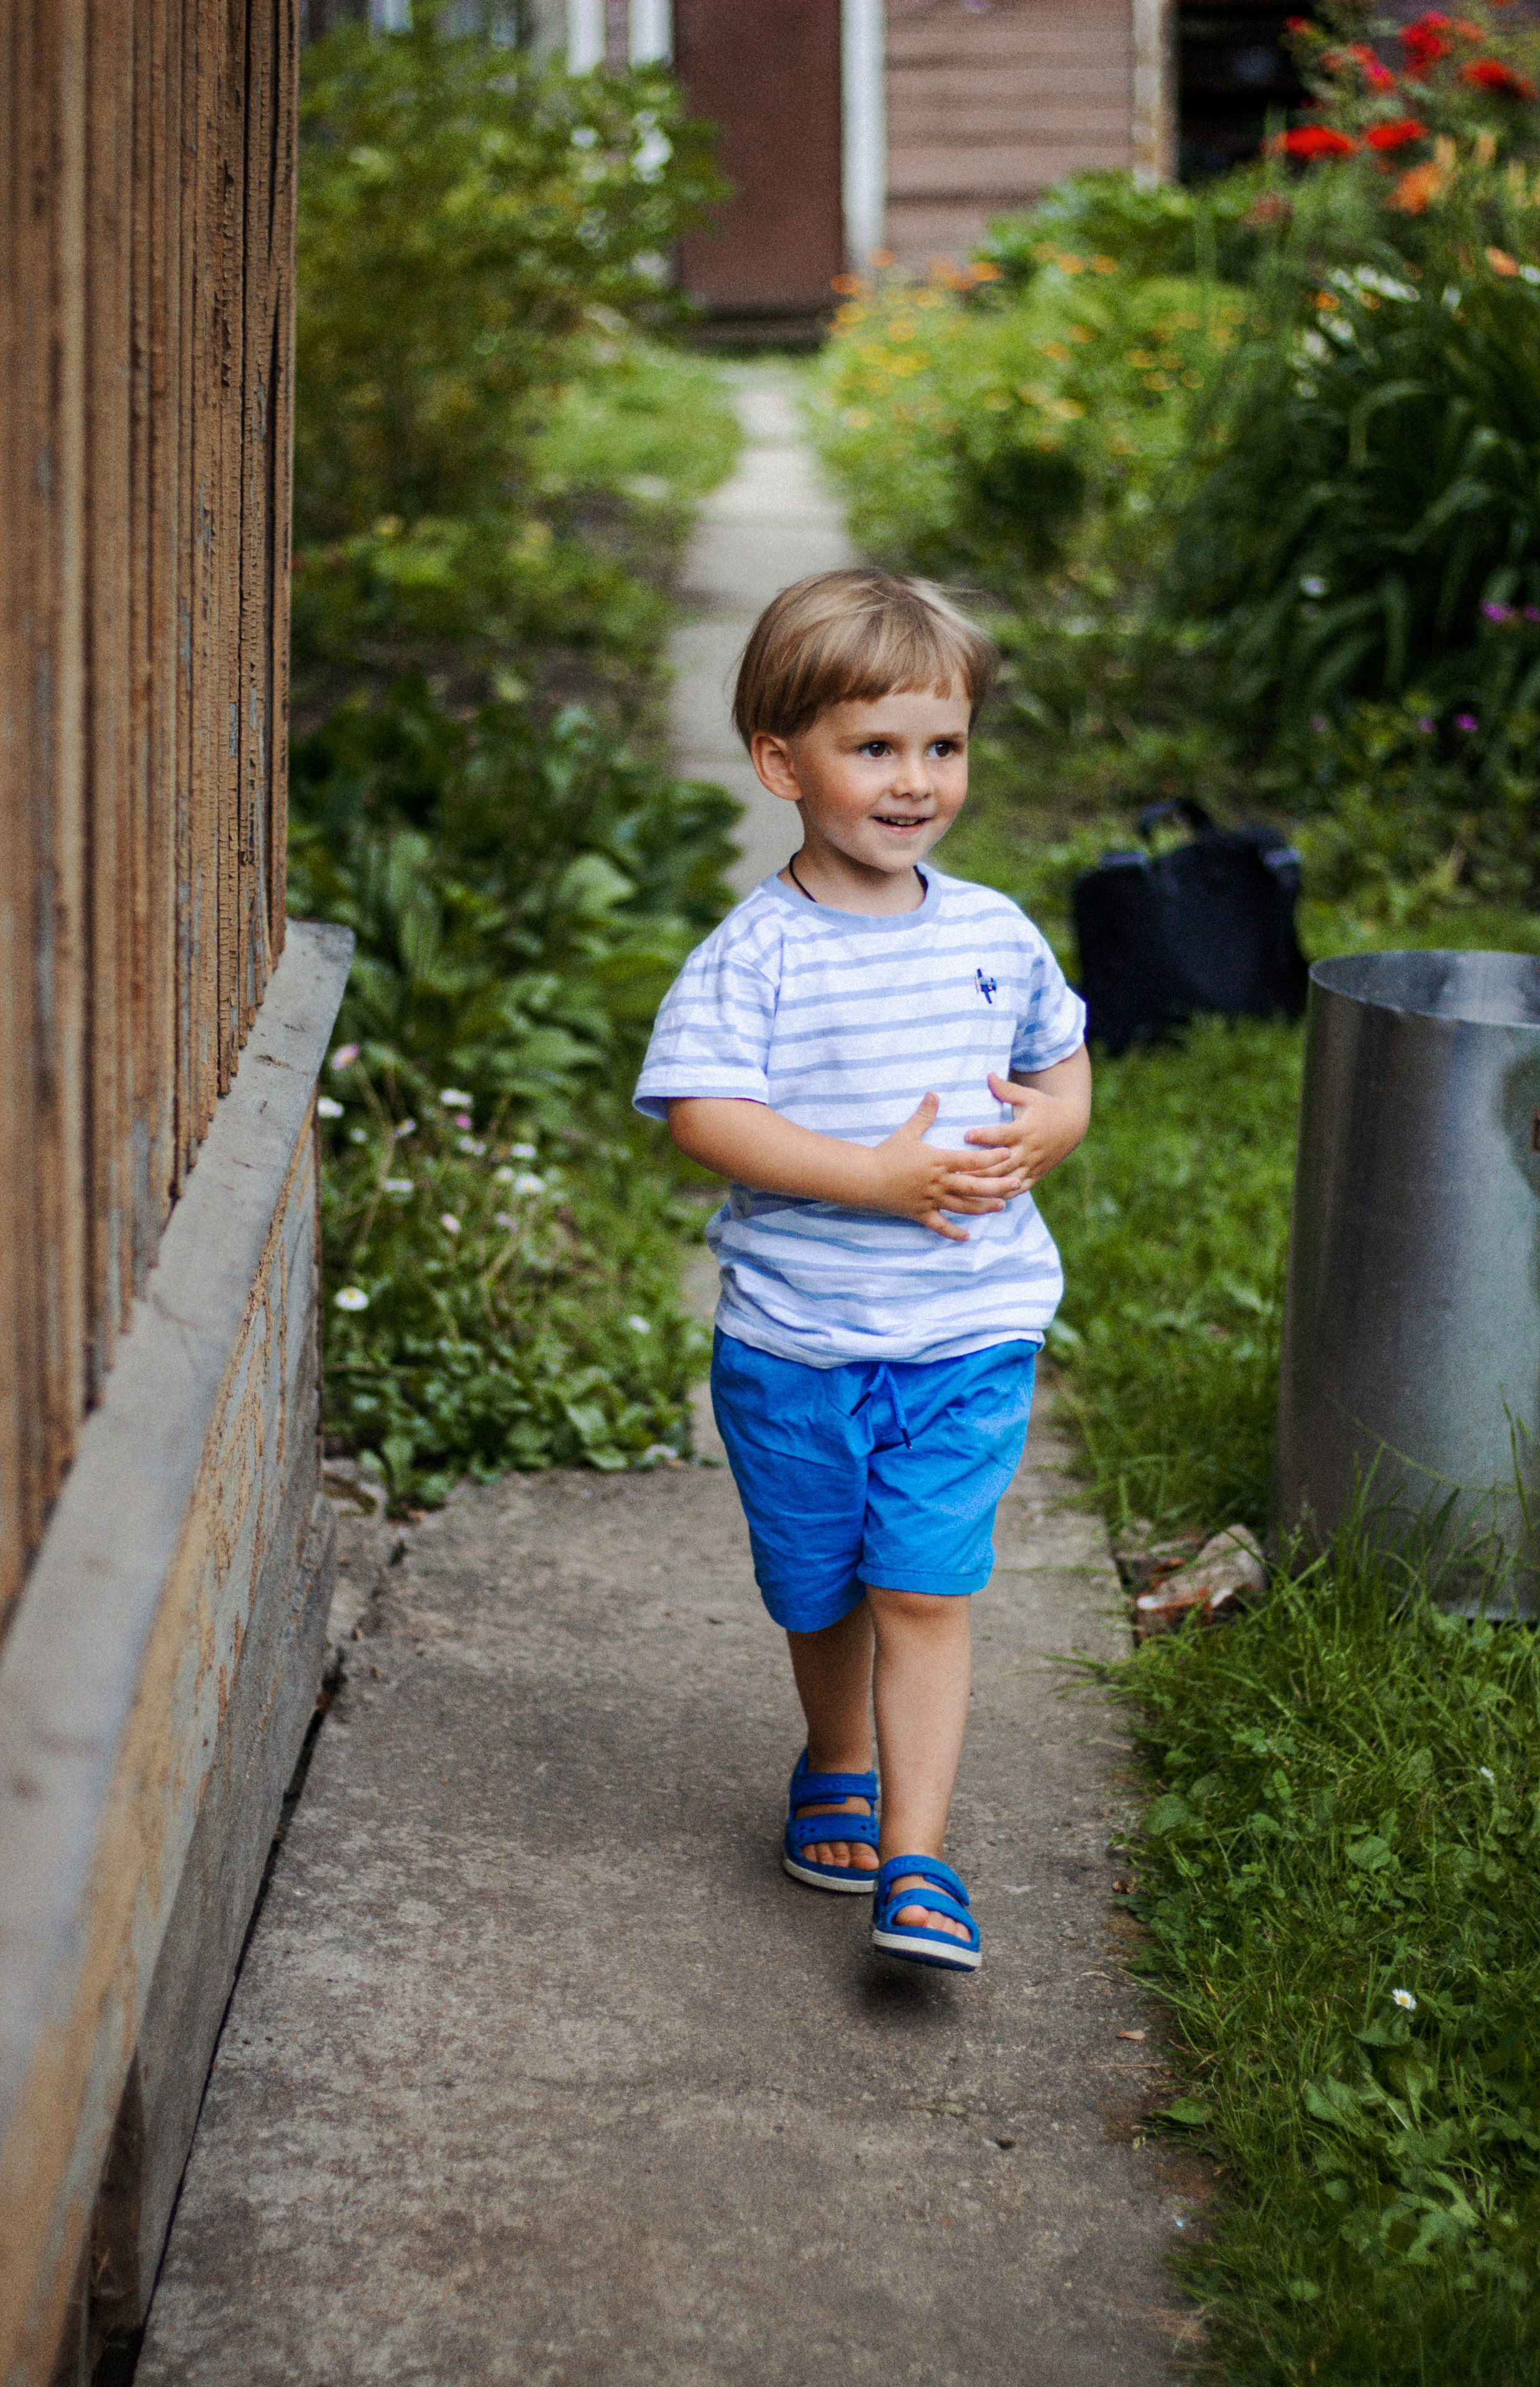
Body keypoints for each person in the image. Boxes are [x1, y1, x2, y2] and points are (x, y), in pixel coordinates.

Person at [635, 566, 1091, 1974]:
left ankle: (918, 1854)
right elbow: (703, 1116)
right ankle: (834, 1754)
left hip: (966, 1330)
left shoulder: (990, 933)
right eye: (872, 748)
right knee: (820, 1585)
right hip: (795, 1347)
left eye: (939, 747)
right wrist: (872, 1178)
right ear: (781, 763)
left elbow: (1058, 1065)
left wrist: (1048, 1131)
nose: (913, 783)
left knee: (925, 1588)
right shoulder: (756, 955)